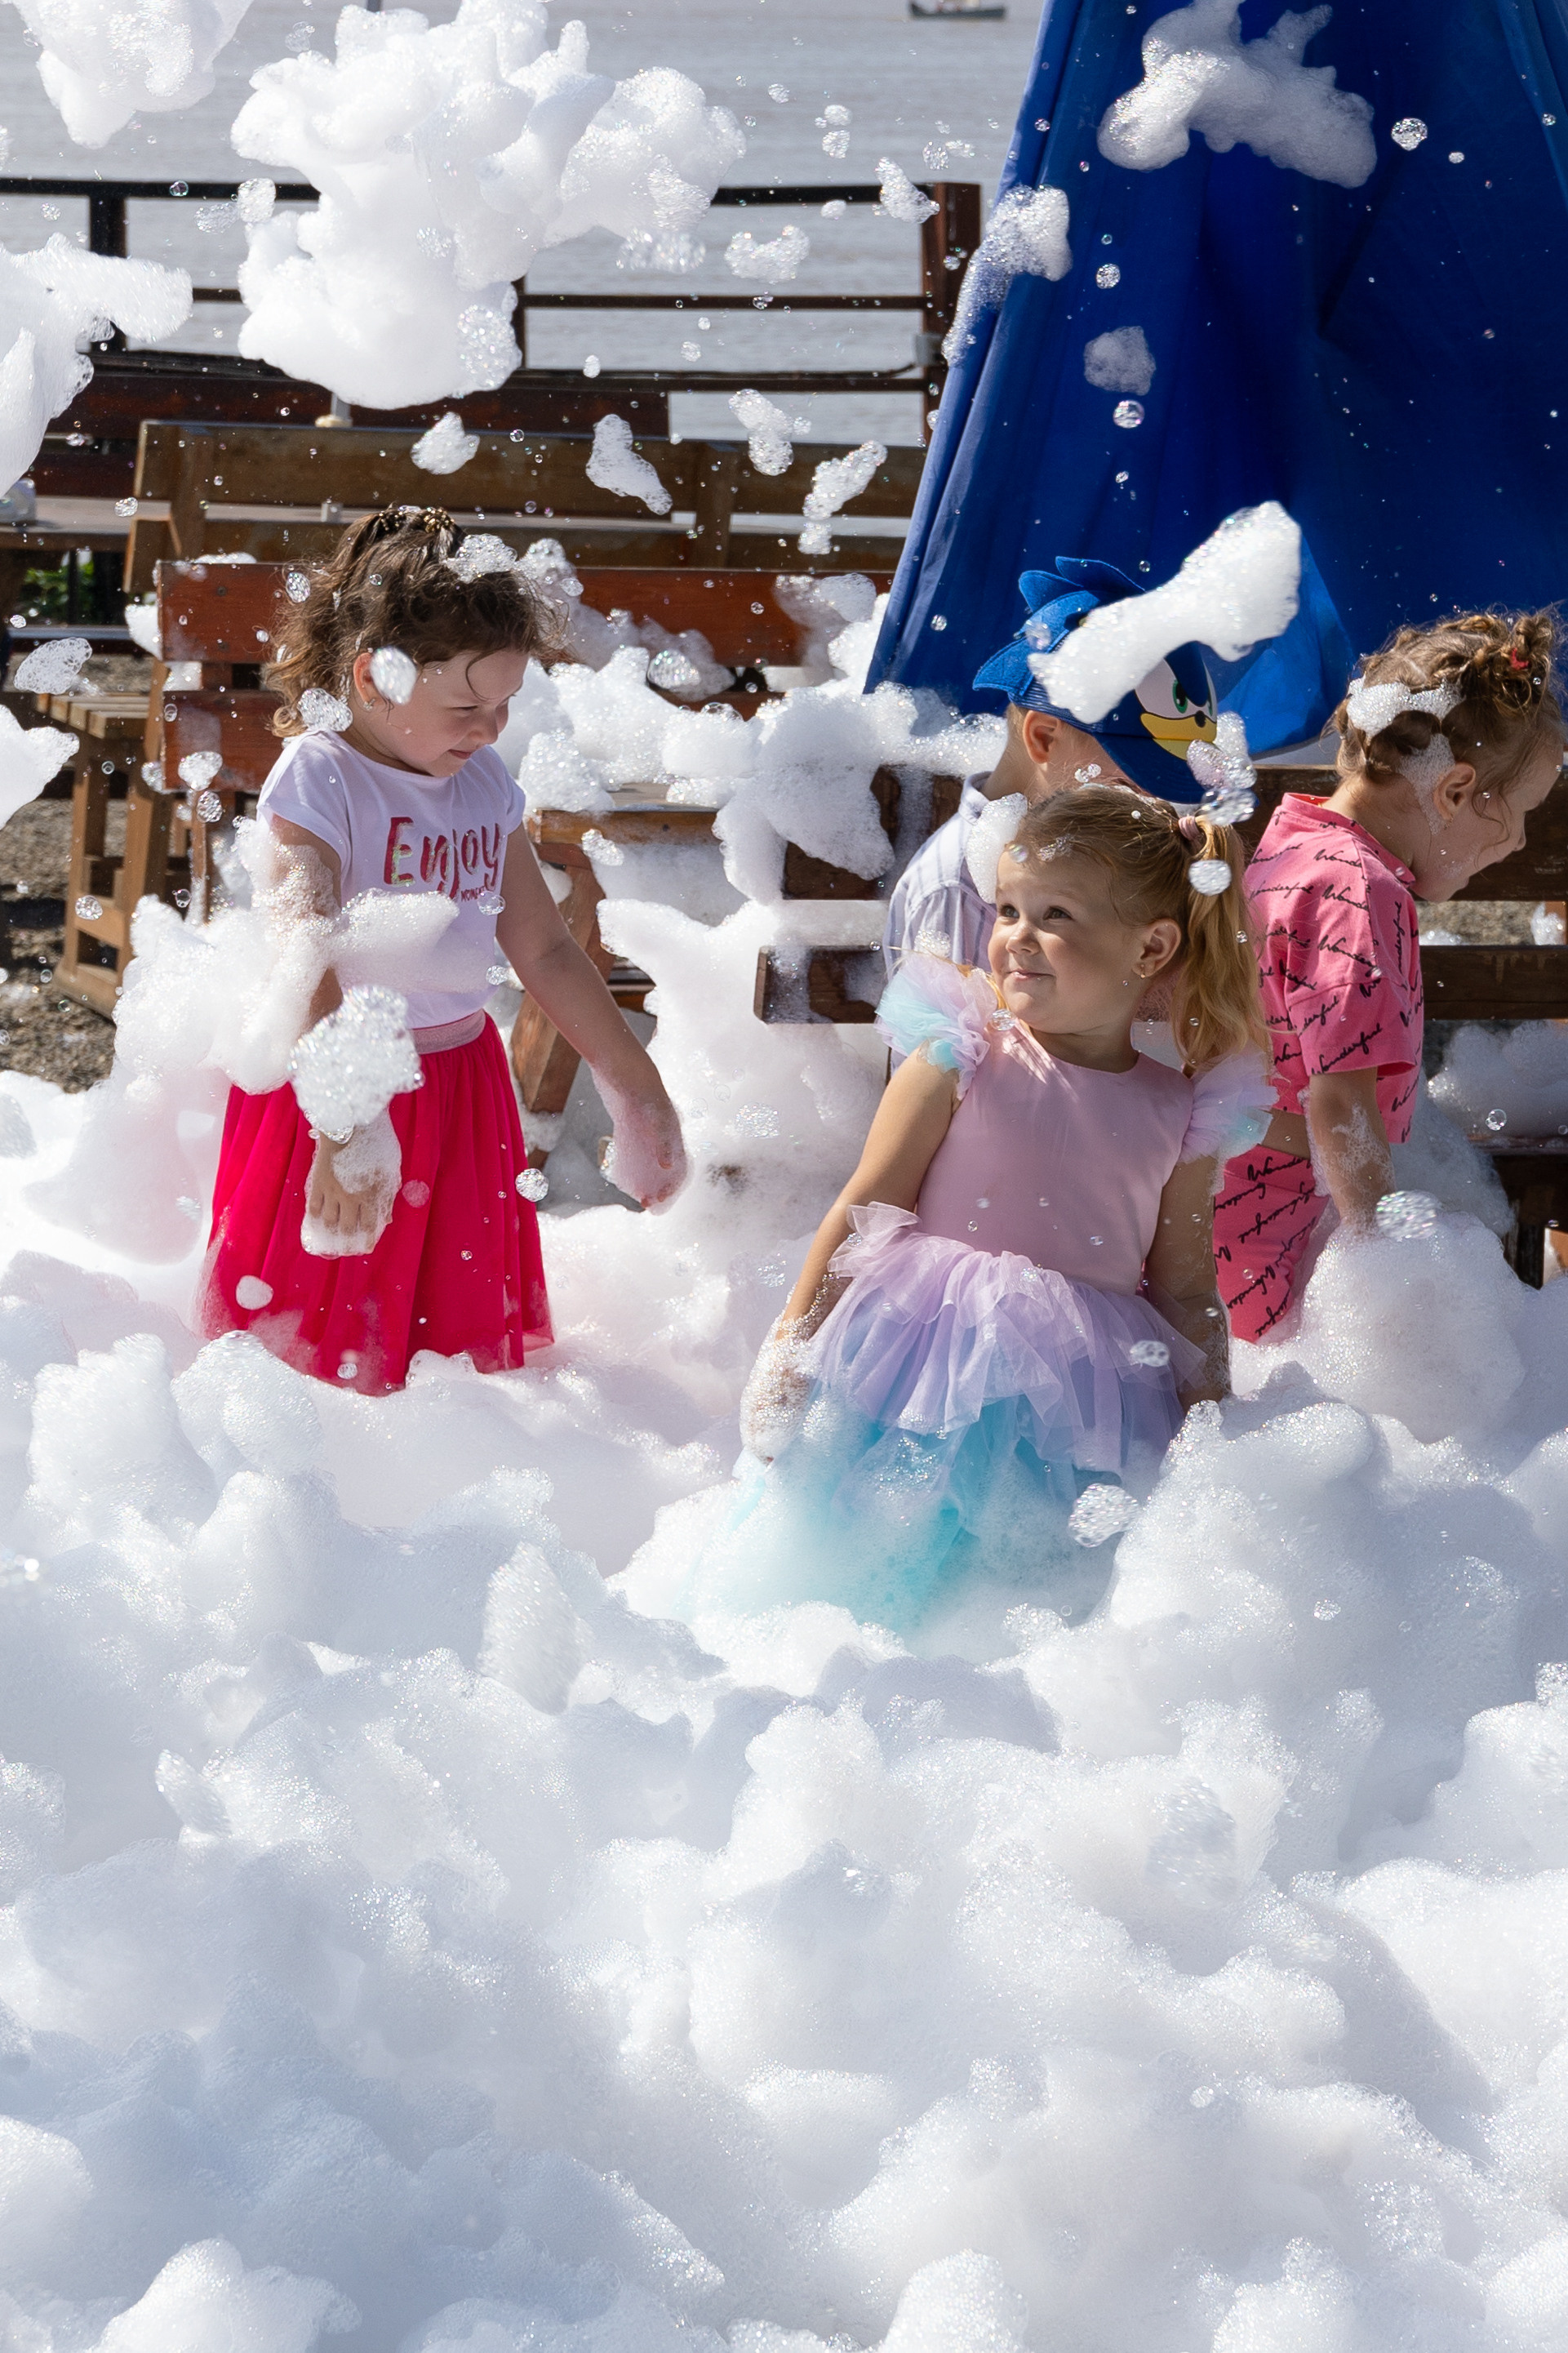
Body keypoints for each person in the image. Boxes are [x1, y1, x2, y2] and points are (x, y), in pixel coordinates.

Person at [673, 786, 1272, 1634]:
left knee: (1032, 1596)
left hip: (1080, 1396)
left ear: (1153, 945)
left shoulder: (1180, 1109)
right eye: (1008, 909)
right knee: (864, 1569)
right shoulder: (964, 1053)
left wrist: (1209, 1422)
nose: (1016, 937)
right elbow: (866, 1202)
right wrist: (792, 1345)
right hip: (919, 1364)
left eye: (1054, 914)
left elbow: (1181, 1279)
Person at [198, 505, 686, 1393]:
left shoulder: (483, 781)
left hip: (462, 1090)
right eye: (466, 706)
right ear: (373, 677)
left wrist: (634, 1085)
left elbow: (542, 947)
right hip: (334, 1090)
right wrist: (348, 1122)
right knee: (311, 1356)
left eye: (503, 705)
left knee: (448, 1371)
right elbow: (303, 958)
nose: (490, 729)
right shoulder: (321, 778)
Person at [1215, 609, 1566, 1343]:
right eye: (1523, 813)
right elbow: (1339, 1104)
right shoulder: (1357, 891)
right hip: (1284, 1235)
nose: (1520, 841)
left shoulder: (1297, 843)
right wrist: (1383, 1266)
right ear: (1453, 790)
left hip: (1240, 1207)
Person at [883, 558, 1222, 975]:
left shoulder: (1098, 853)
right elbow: (943, 1041)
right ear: (1043, 737)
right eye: (1129, 776)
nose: (1151, 800)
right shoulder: (960, 890)